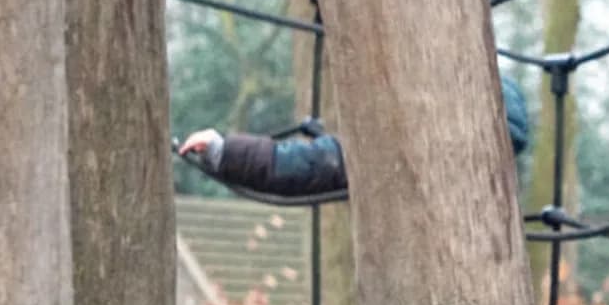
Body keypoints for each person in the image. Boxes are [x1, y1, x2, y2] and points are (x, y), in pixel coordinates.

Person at [176, 72, 532, 196]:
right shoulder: (391, 153)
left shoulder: (403, 151)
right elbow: (311, 164)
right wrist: (224, 152)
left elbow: (313, 164)